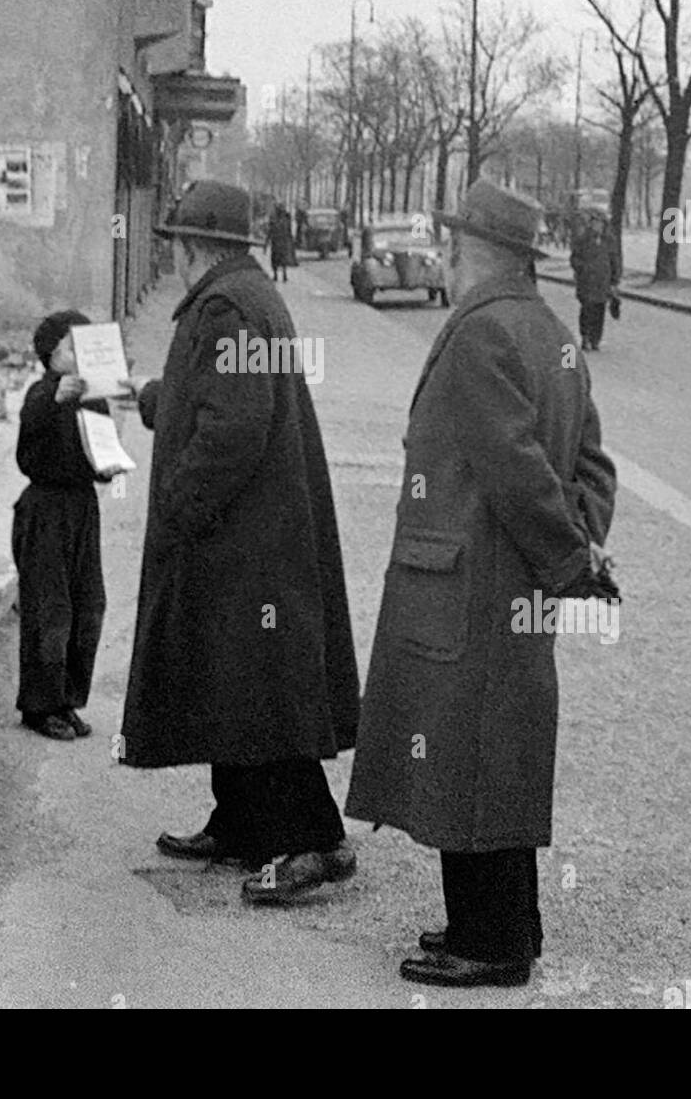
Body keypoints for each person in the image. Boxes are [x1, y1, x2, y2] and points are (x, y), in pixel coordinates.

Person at [344, 180, 617, 988]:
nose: (447, 257)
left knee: (467, 759)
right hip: (508, 583)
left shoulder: (479, 335)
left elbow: (516, 471)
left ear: (473, 252)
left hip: (469, 584)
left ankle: (493, 945)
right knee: (497, 754)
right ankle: (496, 925)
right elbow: (591, 468)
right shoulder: (547, 331)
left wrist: (568, 560)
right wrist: (579, 547)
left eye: (453, 246)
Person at [118, 180, 361, 904]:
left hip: (243, 539)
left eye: (176, 246)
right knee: (233, 679)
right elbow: (214, 397)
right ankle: (242, 822)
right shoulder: (249, 296)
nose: (175, 258)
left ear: (194, 248)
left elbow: (234, 426)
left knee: (261, 686)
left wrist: (181, 504)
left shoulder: (225, 308)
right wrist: (153, 396)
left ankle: (316, 839)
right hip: (255, 533)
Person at [11, 311, 108, 741]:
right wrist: (55, 397)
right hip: (44, 511)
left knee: (88, 606)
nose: (79, 355)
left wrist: (110, 466)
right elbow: (30, 430)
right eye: (71, 347)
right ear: (51, 355)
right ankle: (38, 706)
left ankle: (67, 700)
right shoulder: (41, 394)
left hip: (82, 509)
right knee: (50, 610)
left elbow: (100, 451)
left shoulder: (92, 396)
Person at [569, 212, 620, 351]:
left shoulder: (609, 241)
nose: (598, 226)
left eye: (600, 223)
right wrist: (583, 268)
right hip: (586, 282)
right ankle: (585, 336)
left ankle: (596, 338)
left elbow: (614, 260)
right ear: (590, 224)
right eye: (595, 223)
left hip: (603, 282)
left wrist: (615, 280)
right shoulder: (582, 240)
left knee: (599, 310)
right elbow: (574, 258)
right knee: (587, 309)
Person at [266, 202, 298, 283]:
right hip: (280, 241)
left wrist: (266, 243)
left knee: (277, 259)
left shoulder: (278, 218)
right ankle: (281, 275)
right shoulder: (285, 218)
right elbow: (271, 230)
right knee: (280, 259)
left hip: (279, 241)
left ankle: (280, 275)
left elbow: (270, 231)